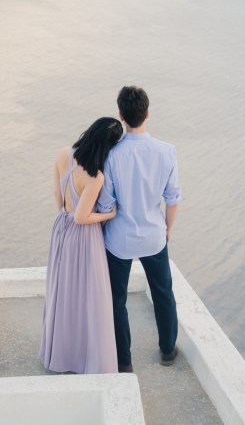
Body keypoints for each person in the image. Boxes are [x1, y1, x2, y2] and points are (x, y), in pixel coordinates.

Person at [97, 86, 181, 373]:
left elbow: (106, 203)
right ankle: (168, 350)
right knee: (163, 293)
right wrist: (168, 229)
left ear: (121, 115)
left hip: (119, 240)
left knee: (117, 300)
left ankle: (124, 361)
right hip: (154, 237)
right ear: (148, 113)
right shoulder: (167, 152)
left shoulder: (111, 156)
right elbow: (172, 198)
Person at [39, 117, 123, 374]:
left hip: (60, 230)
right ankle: (83, 357)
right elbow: (82, 217)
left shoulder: (64, 153)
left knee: (62, 291)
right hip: (83, 237)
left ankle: (59, 354)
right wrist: (109, 215)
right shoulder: (95, 176)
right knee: (88, 296)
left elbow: (58, 200)